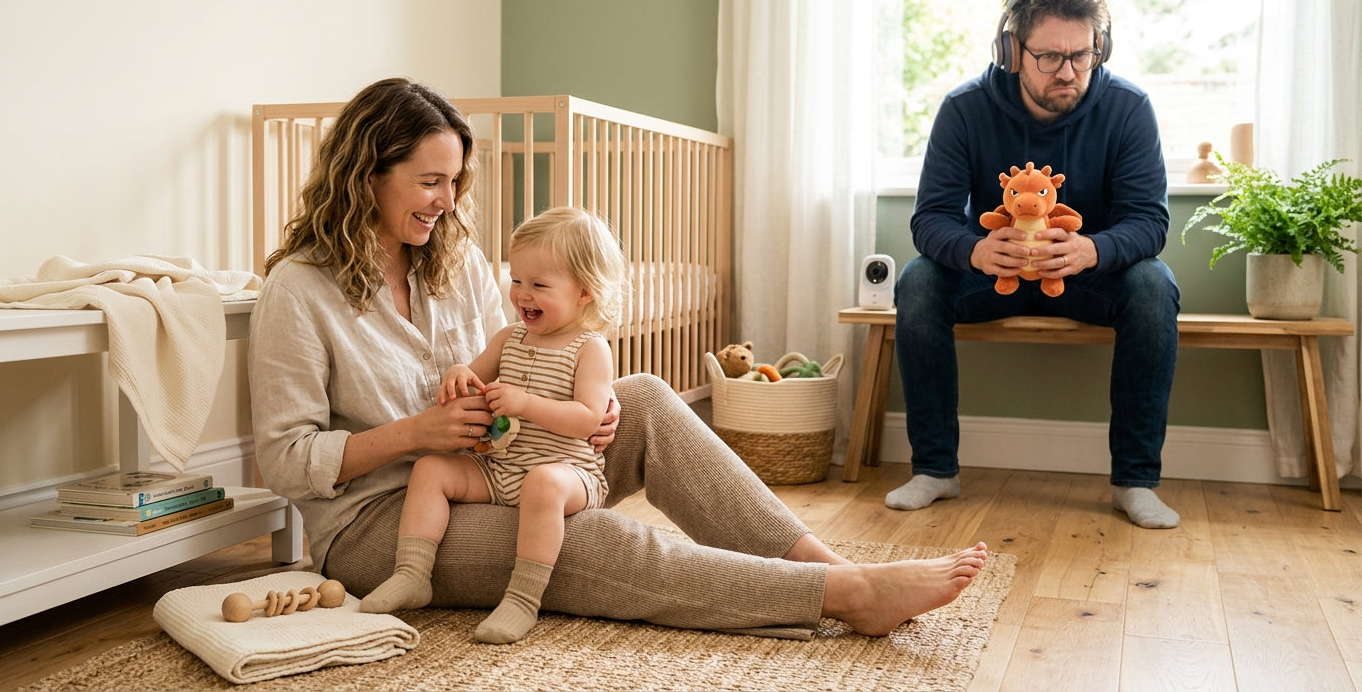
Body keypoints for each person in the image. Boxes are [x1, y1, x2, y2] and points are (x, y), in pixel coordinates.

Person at [249, 76, 989, 643]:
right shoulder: (300, 289)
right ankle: (849, 600)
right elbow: (285, 460)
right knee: (574, 533)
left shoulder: (458, 263)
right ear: (369, 172)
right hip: (383, 526)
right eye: (430, 181)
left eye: (455, 182)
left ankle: (831, 566)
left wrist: (584, 416)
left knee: (644, 395)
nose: (448, 201)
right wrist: (417, 433)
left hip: (500, 468)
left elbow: (514, 366)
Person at [885, 0, 1182, 529]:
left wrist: (1089, 250)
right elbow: (931, 220)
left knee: (1153, 284)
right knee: (918, 280)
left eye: (1082, 55)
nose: (1068, 71)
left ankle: (1135, 481)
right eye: (1049, 57)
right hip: (992, 274)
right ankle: (935, 470)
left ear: (1100, 48)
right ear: (1012, 50)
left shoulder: (1129, 107)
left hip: (1085, 276)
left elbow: (1149, 221)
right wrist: (974, 250)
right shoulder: (964, 107)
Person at [360, 206, 626, 645]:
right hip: (499, 468)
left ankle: (522, 600)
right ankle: (411, 573)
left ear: (584, 292)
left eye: (539, 285)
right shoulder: (509, 338)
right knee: (430, 468)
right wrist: (457, 376)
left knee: (543, 483)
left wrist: (526, 402)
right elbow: (474, 378)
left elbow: (587, 420)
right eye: (516, 279)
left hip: (567, 474)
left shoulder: (589, 348)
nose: (522, 294)